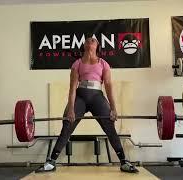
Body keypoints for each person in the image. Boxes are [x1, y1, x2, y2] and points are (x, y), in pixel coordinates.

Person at [35, 37, 139, 173]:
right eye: (88, 40)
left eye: (94, 41)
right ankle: (51, 162)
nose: (91, 41)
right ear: (84, 45)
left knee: (109, 126)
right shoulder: (77, 64)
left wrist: (113, 108)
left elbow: (108, 86)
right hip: (80, 97)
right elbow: (72, 88)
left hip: (97, 97)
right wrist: (71, 109)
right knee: (67, 124)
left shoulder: (103, 64)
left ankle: (124, 161)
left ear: (97, 46)